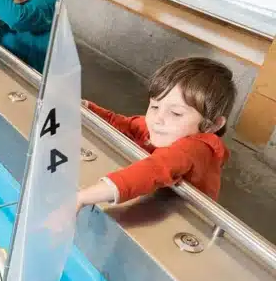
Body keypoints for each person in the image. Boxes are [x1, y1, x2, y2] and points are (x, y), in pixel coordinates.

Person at [76, 57, 237, 211]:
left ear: (212, 125)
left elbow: (154, 168)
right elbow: (125, 124)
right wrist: (86, 108)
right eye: (154, 106)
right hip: (160, 200)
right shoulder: (163, 127)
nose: (157, 119)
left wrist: (83, 197)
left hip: (183, 218)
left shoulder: (196, 148)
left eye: (175, 113)